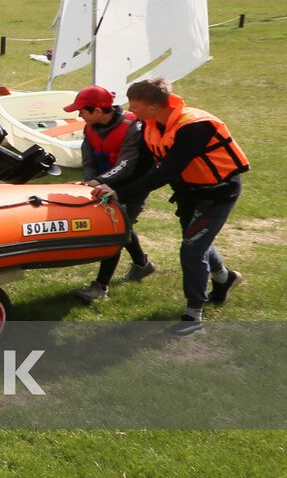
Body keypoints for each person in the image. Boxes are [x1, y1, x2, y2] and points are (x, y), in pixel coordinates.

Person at [92, 77, 250, 336]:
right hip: (189, 192)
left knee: (191, 249)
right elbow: (139, 161)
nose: (129, 109)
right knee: (195, 241)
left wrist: (120, 193)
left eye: (134, 104)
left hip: (218, 193)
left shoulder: (194, 127)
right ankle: (225, 278)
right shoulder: (151, 123)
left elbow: (166, 171)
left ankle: (194, 314)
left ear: (152, 107)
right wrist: (103, 180)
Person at [64, 85, 156, 303]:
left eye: (81, 111)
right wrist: (89, 181)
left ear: (97, 110)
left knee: (115, 230)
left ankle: (100, 287)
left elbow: (127, 164)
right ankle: (143, 265)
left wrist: (100, 181)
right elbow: (88, 159)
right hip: (104, 183)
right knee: (124, 226)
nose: (79, 115)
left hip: (132, 187)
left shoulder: (132, 127)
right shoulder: (90, 126)